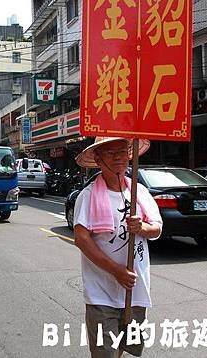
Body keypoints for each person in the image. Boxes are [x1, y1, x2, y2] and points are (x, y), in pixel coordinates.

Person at [73, 137, 163, 358]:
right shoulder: (88, 196)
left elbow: (157, 228)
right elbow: (82, 239)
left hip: (136, 290)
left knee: (124, 347)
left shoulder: (139, 192)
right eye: (110, 153)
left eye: (122, 151)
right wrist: (116, 271)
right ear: (98, 159)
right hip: (101, 292)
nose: (118, 158)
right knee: (105, 353)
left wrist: (142, 227)